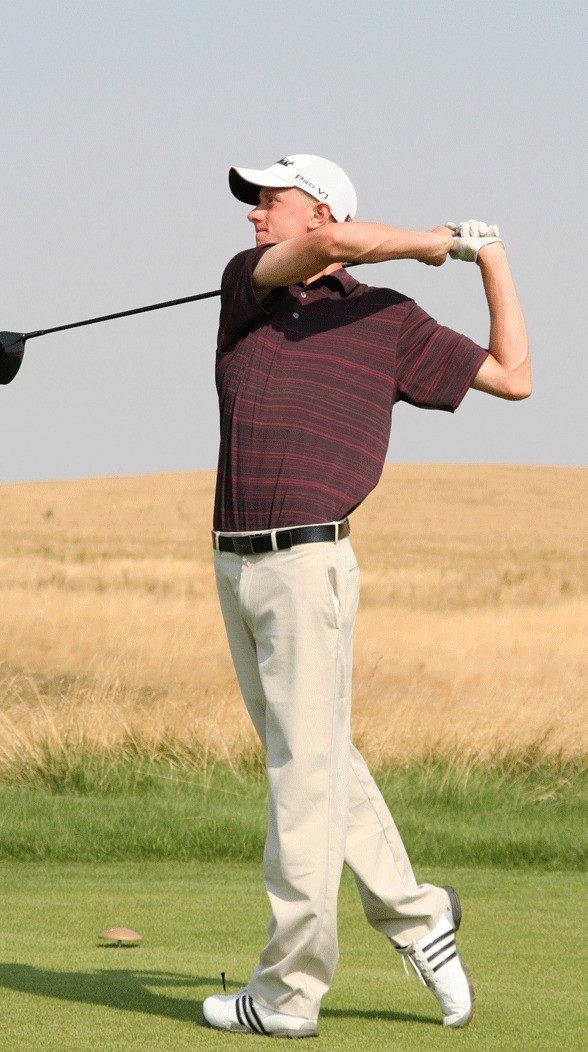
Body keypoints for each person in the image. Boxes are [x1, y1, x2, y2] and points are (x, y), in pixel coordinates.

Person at [203, 155, 530, 1038]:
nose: (253, 218)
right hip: (235, 563)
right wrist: (436, 244)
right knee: (317, 761)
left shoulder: (388, 320)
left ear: (314, 208)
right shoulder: (249, 291)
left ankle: (286, 996)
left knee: (300, 781)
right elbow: (336, 243)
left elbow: (512, 374)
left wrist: (488, 257)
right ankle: (423, 919)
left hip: (310, 567)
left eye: (269, 202)